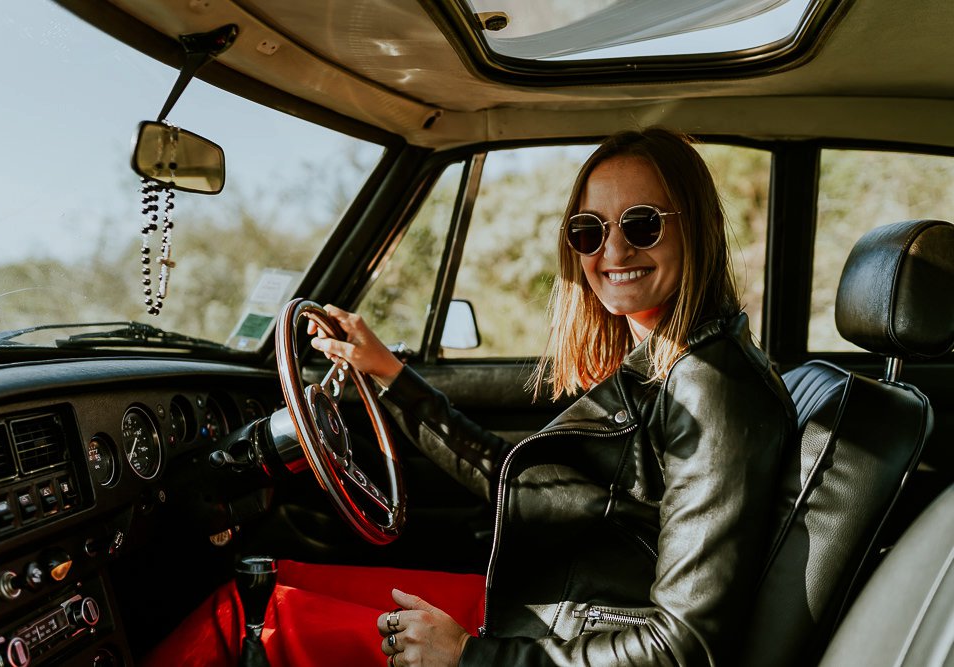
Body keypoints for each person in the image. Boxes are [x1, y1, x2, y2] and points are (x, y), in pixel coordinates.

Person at [145, 127, 796, 666]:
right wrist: (388, 375)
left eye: (643, 224)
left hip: (558, 636)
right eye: (588, 231)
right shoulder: (665, 362)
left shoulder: (713, 393)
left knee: (245, 614)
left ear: (697, 228)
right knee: (268, 575)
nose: (613, 250)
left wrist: (472, 658)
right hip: (556, 614)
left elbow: (685, 648)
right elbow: (519, 479)